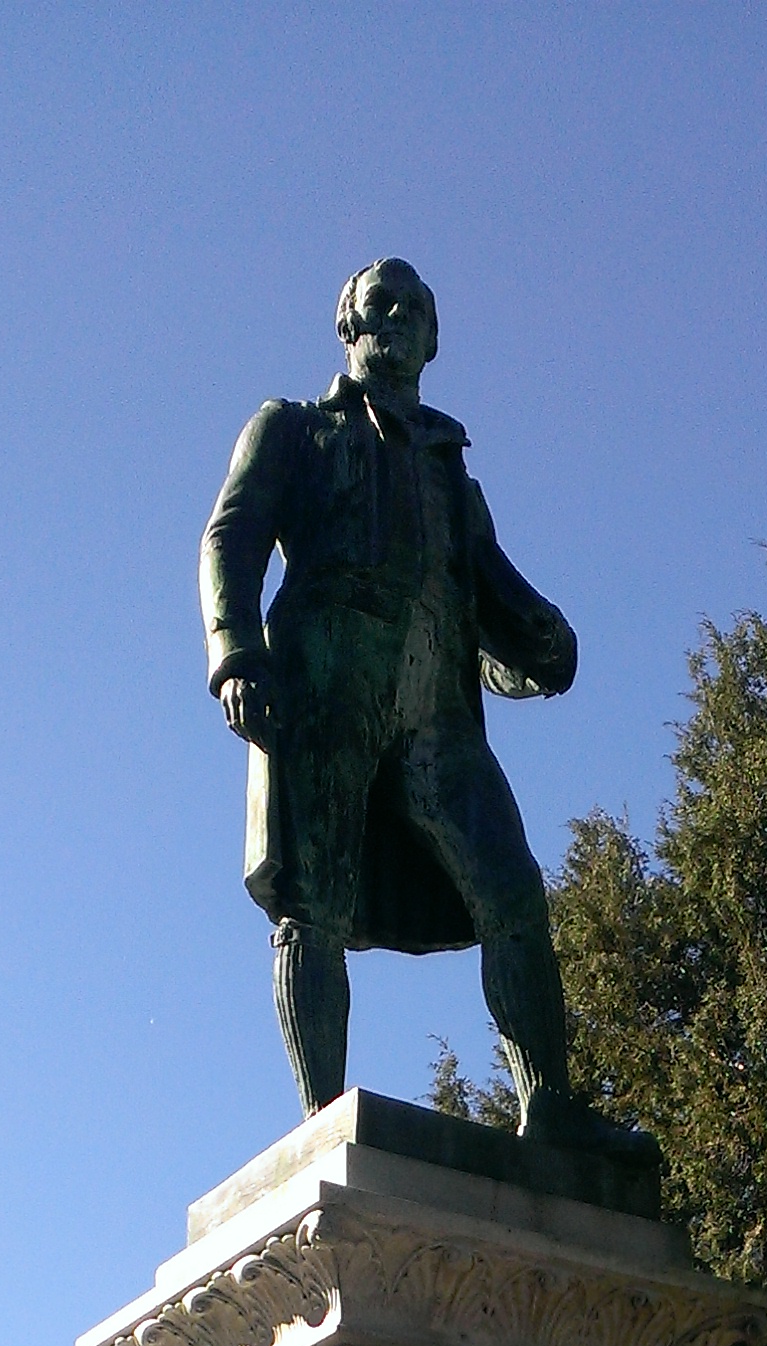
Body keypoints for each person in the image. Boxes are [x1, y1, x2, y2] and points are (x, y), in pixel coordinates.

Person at [200, 256, 606, 1141]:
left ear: (432, 337)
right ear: (347, 328)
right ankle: (321, 1122)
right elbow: (230, 541)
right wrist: (235, 655)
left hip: (440, 718)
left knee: (514, 892)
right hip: (323, 689)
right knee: (314, 898)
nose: (395, 317)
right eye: (378, 304)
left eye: (413, 308)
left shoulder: (455, 481)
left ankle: (554, 1117)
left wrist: (544, 640)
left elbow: (490, 602)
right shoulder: (294, 430)